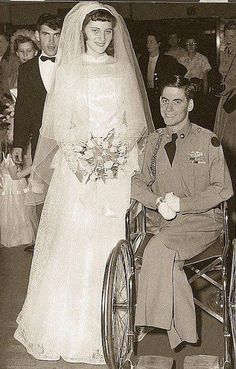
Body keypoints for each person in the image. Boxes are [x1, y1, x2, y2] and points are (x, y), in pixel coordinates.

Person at [14, 1, 153, 363]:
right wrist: (83, 156)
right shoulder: (70, 71)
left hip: (116, 166)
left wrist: (115, 151)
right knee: (74, 240)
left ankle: (113, 324)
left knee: (113, 239)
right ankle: (69, 328)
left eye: (108, 32)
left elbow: (136, 121)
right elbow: (61, 124)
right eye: (96, 31)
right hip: (79, 167)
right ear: (83, 33)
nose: (103, 38)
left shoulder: (122, 68)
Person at [131, 75, 233, 349]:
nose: (169, 107)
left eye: (177, 101)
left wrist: (183, 205)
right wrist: (156, 201)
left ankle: (147, 322)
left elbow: (222, 190)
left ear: (189, 105)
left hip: (202, 221)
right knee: (169, 262)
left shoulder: (207, 140)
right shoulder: (152, 142)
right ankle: (184, 333)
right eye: (165, 100)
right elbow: (137, 182)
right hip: (163, 221)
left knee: (159, 248)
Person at [12, 14, 62, 253]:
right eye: (46, 35)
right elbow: (22, 108)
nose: (51, 42)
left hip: (67, 141)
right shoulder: (27, 69)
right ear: (37, 36)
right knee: (40, 192)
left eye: (56, 35)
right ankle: (44, 242)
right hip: (40, 141)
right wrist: (18, 144)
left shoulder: (73, 66)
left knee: (65, 193)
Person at [214, 21, 236, 238]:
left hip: (235, 103)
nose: (229, 38)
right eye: (227, 35)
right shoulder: (226, 53)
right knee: (223, 139)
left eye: (233, 35)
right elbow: (223, 75)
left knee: (232, 138)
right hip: (225, 102)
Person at [139, 31, 187, 129]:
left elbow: (182, 70)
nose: (148, 44)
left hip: (161, 96)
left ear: (158, 43)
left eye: (151, 42)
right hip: (147, 97)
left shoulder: (167, 60)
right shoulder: (142, 60)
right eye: (147, 42)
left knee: (161, 122)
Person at [0, 151, 37, 248]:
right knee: (18, 210)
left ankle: (12, 236)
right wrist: (33, 168)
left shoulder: (4, 155)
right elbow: (15, 176)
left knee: (10, 212)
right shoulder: (10, 157)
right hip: (14, 187)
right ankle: (19, 237)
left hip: (8, 186)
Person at [0, 30, 19, 100]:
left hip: (8, 100)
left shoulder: (14, 60)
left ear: (7, 43)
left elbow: (13, 87)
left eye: (0, 42)